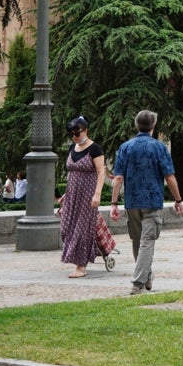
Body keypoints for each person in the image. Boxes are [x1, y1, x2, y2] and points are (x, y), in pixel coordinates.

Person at [109, 110, 183, 294]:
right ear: (153, 125)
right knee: (147, 241)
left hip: (132, 202)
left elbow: (118, 178)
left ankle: (147, 277)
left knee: (139, 241)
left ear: (136, 125)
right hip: (152, 201)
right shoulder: (159, 147)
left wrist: (114, 203)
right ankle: (138, 284)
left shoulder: (125, 147)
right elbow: (169, 176)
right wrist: (178, 199)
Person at [59, 116, 106, 278]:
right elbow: (72, 174)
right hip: (73, 195)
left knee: (81, 229)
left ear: (86, 130)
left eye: (77, 133)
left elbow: (101, 171)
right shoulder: (72, 148)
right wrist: (67, 193)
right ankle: (80, 257)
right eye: (71, 134)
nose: (74, 137)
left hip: (88, 195)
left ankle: (81, 266)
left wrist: (97, 194)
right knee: (66, 228)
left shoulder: (95, 149)